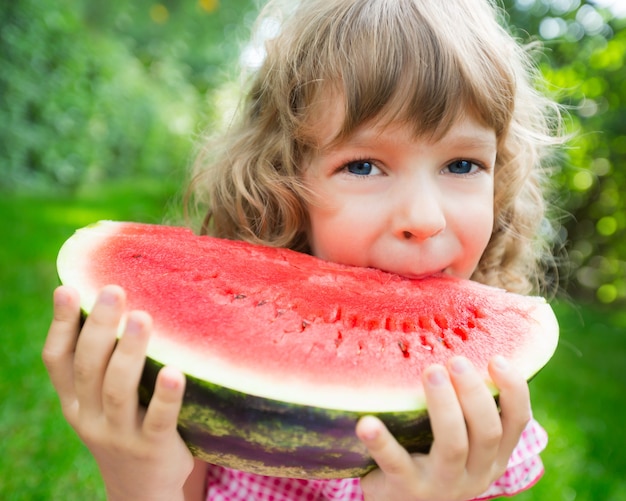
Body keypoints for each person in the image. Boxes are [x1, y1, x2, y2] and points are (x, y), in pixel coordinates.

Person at [43, 0, 564, 499]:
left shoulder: (478, 415)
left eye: (462, 165)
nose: (424, 219)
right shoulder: (209, 369)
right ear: (286, 184)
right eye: (363, 165)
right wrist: (138, 480)